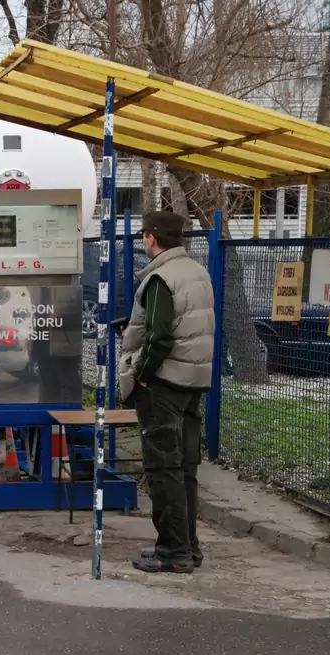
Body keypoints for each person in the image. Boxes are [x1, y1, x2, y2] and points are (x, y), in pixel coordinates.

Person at [118, 212, 215, 574]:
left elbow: (159, 336)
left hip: (164, 385)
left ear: (150, 238)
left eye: (144, 236)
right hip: (193, 382)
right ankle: (189, 547)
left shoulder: (160, 277)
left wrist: (140, 376)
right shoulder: (197, 271)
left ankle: (172, 552)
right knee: (185, 468)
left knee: (163, 469)